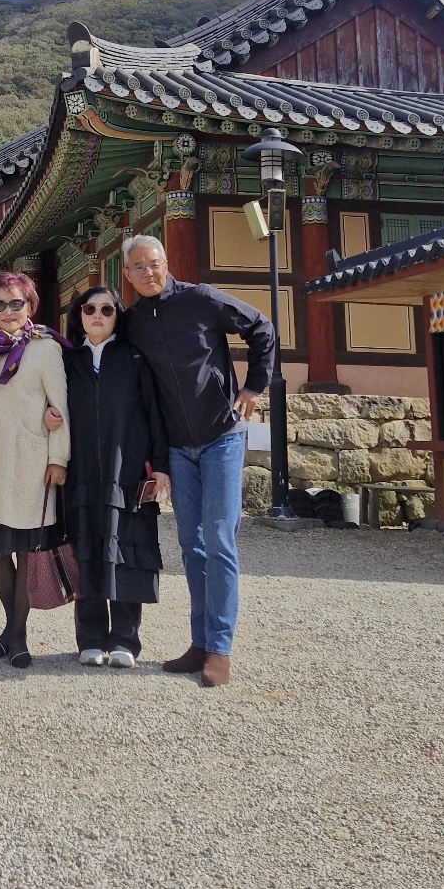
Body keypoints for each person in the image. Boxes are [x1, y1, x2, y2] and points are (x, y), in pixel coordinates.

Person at [121, 234, 274, 687]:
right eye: (138, 267)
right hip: (177, 447)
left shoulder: (201, 299)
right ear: (127, 274)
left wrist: (254, 386)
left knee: (221, 540)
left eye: (154, 263)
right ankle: (199, 642)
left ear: (167, 262)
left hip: (221, 435)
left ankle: (219, 648)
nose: (149, 272)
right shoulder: (133, 321)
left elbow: (261, 327)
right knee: (192, 545)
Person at [0, 271, 70, 669]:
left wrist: (58, 458)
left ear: (30, 306)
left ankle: (17, 634)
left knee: (25, 552)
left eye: (16, 303)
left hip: (30, 464)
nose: (8, 311)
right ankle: (11, 629)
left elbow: (61, 407)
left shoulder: (45, 348)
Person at [63, 286, 169, 669]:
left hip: (126, 472)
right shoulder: (67, 361)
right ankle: (90, 638)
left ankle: (125, 639)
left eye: (106, 310)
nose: (97, 315)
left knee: (127, 552)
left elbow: (155, 414)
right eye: (89, 309)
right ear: (79, 316)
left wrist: (160, 466)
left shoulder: (135, 358)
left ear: (117, 316)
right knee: (87, 549)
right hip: (80, 473)